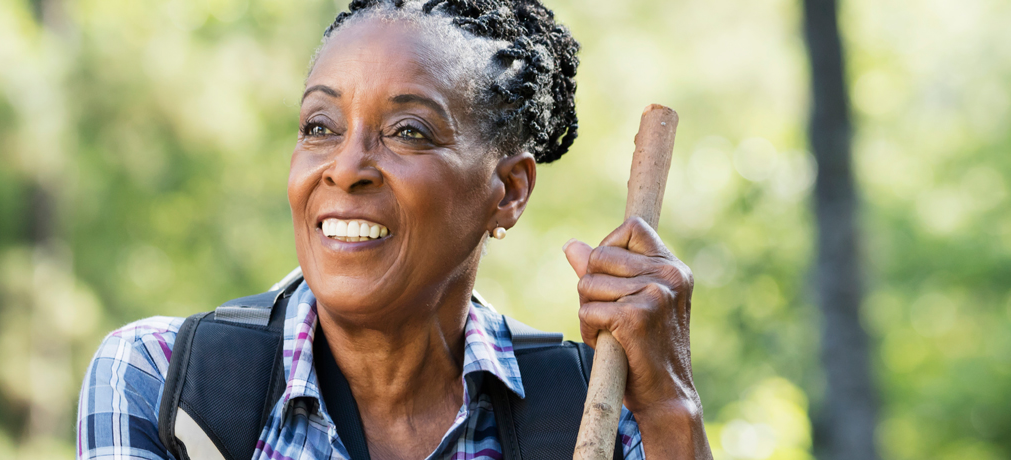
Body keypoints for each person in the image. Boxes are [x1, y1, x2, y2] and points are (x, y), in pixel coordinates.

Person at [76, 1, 714, 459]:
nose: (346, 169)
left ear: (509, 190)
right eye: (320, 127)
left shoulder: (600, 415)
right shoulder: (162, 384)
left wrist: (668, 410)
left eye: (409, 131)